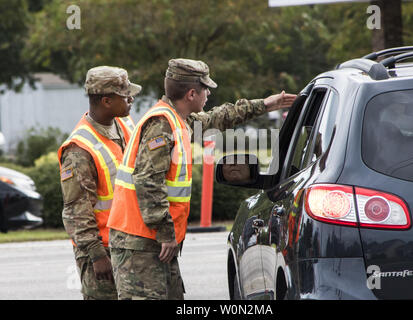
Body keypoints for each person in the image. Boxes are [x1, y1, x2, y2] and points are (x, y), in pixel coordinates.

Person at [107, 58, 296, 300]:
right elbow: (147, 181)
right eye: (206, 89)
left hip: (151, 239)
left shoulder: (179, 120)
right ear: (192, 94)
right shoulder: (162, 124)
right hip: (141, 242)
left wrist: (265, 104)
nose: (208, 94)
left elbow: (219, 117)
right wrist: (165, 232)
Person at [58, 66, 141, 300]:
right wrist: (96, 255)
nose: (132, 99)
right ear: (106, 101)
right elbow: (76, 210)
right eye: (126, 96)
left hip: (128, 245)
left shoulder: (124, 125)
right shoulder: (78, 149)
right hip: (102, 253)